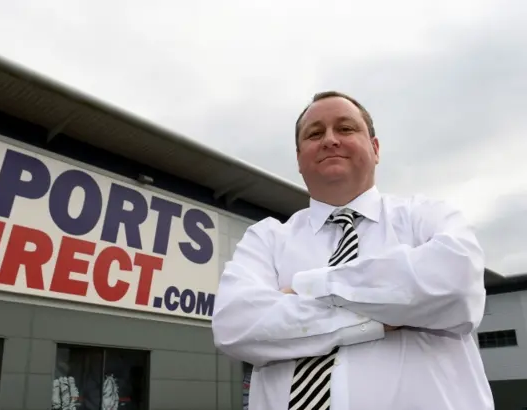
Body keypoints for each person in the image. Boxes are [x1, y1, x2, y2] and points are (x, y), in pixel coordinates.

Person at [211, 91, 493, 410]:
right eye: (315, 133)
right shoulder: (266, 237)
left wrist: (309, 288)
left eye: (345, 128)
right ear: (299, 159)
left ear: (375, 148)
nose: (330, 140)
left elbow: (455, 287)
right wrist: (383, 315)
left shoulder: (427, 217)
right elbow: (234, 326)